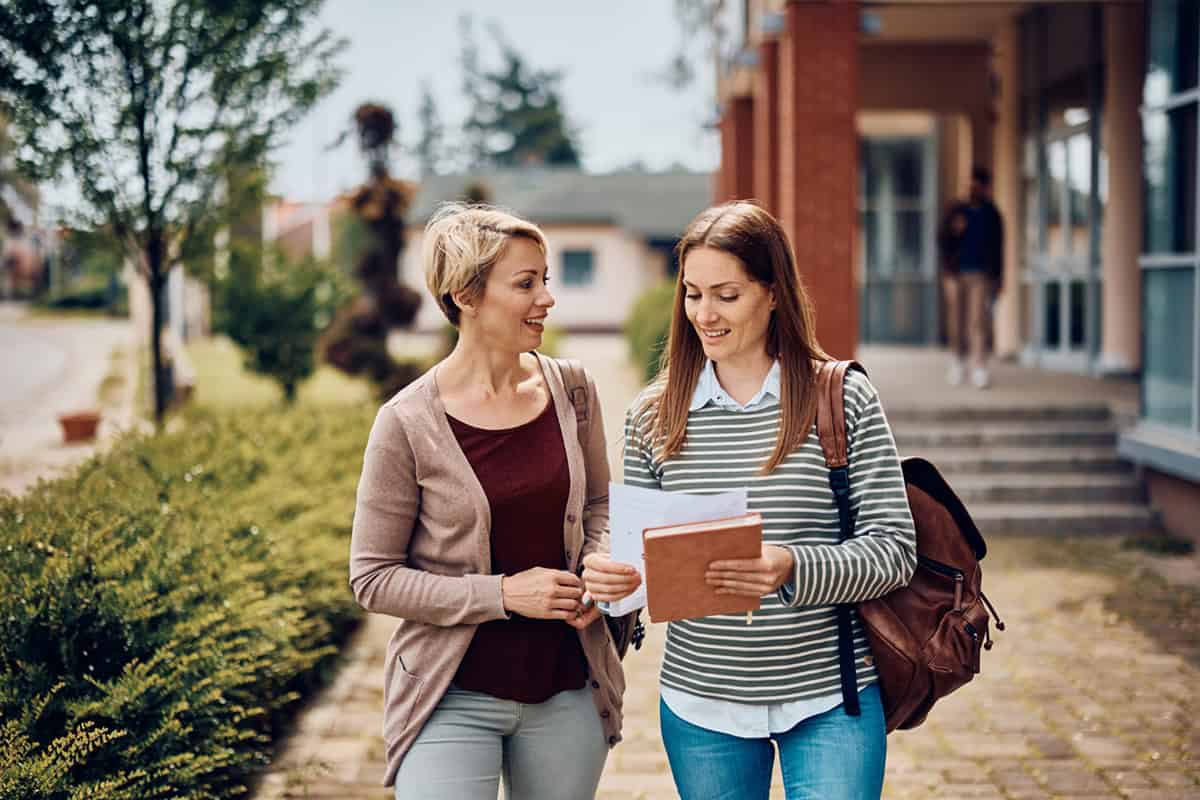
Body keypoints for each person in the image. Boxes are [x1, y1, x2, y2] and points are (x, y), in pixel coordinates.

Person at [583, 201, 916, 800]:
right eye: (692, 294)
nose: (704, 315)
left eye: (726, 295)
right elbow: (637, 571)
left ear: (772, 294)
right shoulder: (651, 416)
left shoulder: (841, 399)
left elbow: (894, 549)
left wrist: (791, 565)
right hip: (700, 704)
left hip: (831, 695)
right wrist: (611, 583)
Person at [349, 202, 625, 799]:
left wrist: (597, 569)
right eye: (525, 283)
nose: (546, 298)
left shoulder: (573, 389)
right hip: (450, 695)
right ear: (465, 295)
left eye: (545, 280)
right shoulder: (406, 422)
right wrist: (502, 594)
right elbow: (372, 578)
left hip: (568, 687)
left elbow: (602, 504)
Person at [937, 165, 1005, 389]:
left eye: (976, 184)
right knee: (956, 321)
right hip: (955, 275)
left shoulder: (992, 213)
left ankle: (978, 367)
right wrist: (953, 231)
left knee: (977, 322)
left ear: (985, 187)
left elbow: (998, 248)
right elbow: (940, 239)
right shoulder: (955, 209)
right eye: (969, 184)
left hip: (980, 275)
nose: (971, 188)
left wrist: (998, 278)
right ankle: (957, 362)